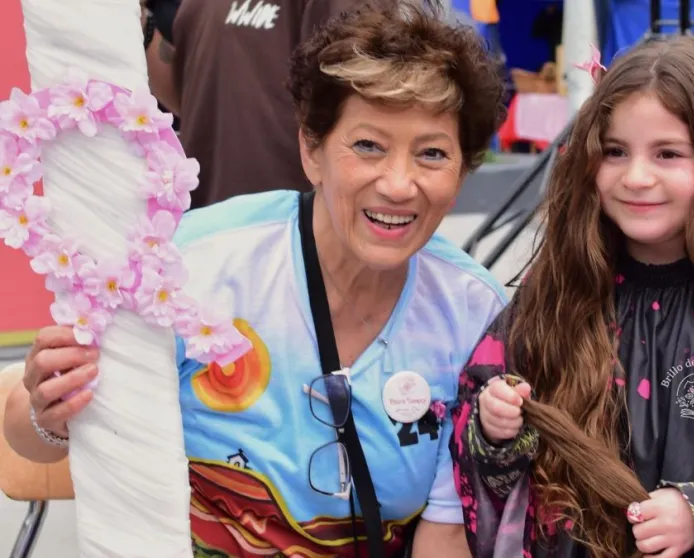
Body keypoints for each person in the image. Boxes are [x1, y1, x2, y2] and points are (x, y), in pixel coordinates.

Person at [3, 2, 507, 555]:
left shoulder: (472, 313)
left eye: (432, 154)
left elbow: (446, 524)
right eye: (368, 146)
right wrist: (49, 408)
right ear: (311, 151)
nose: (398, 184)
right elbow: (31, 440)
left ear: (461, 172)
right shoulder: (189, 268)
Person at [450, 37, 694, 558]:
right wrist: (495, 430)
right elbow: (480, 414)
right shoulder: (561, 287)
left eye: (668, 154)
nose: (636, 178)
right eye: (615, 152)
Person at [146, 0, 362, 209]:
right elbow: (190, 98)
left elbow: (359, 98)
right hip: (202, 223)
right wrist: (141, 27)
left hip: (285, 228)